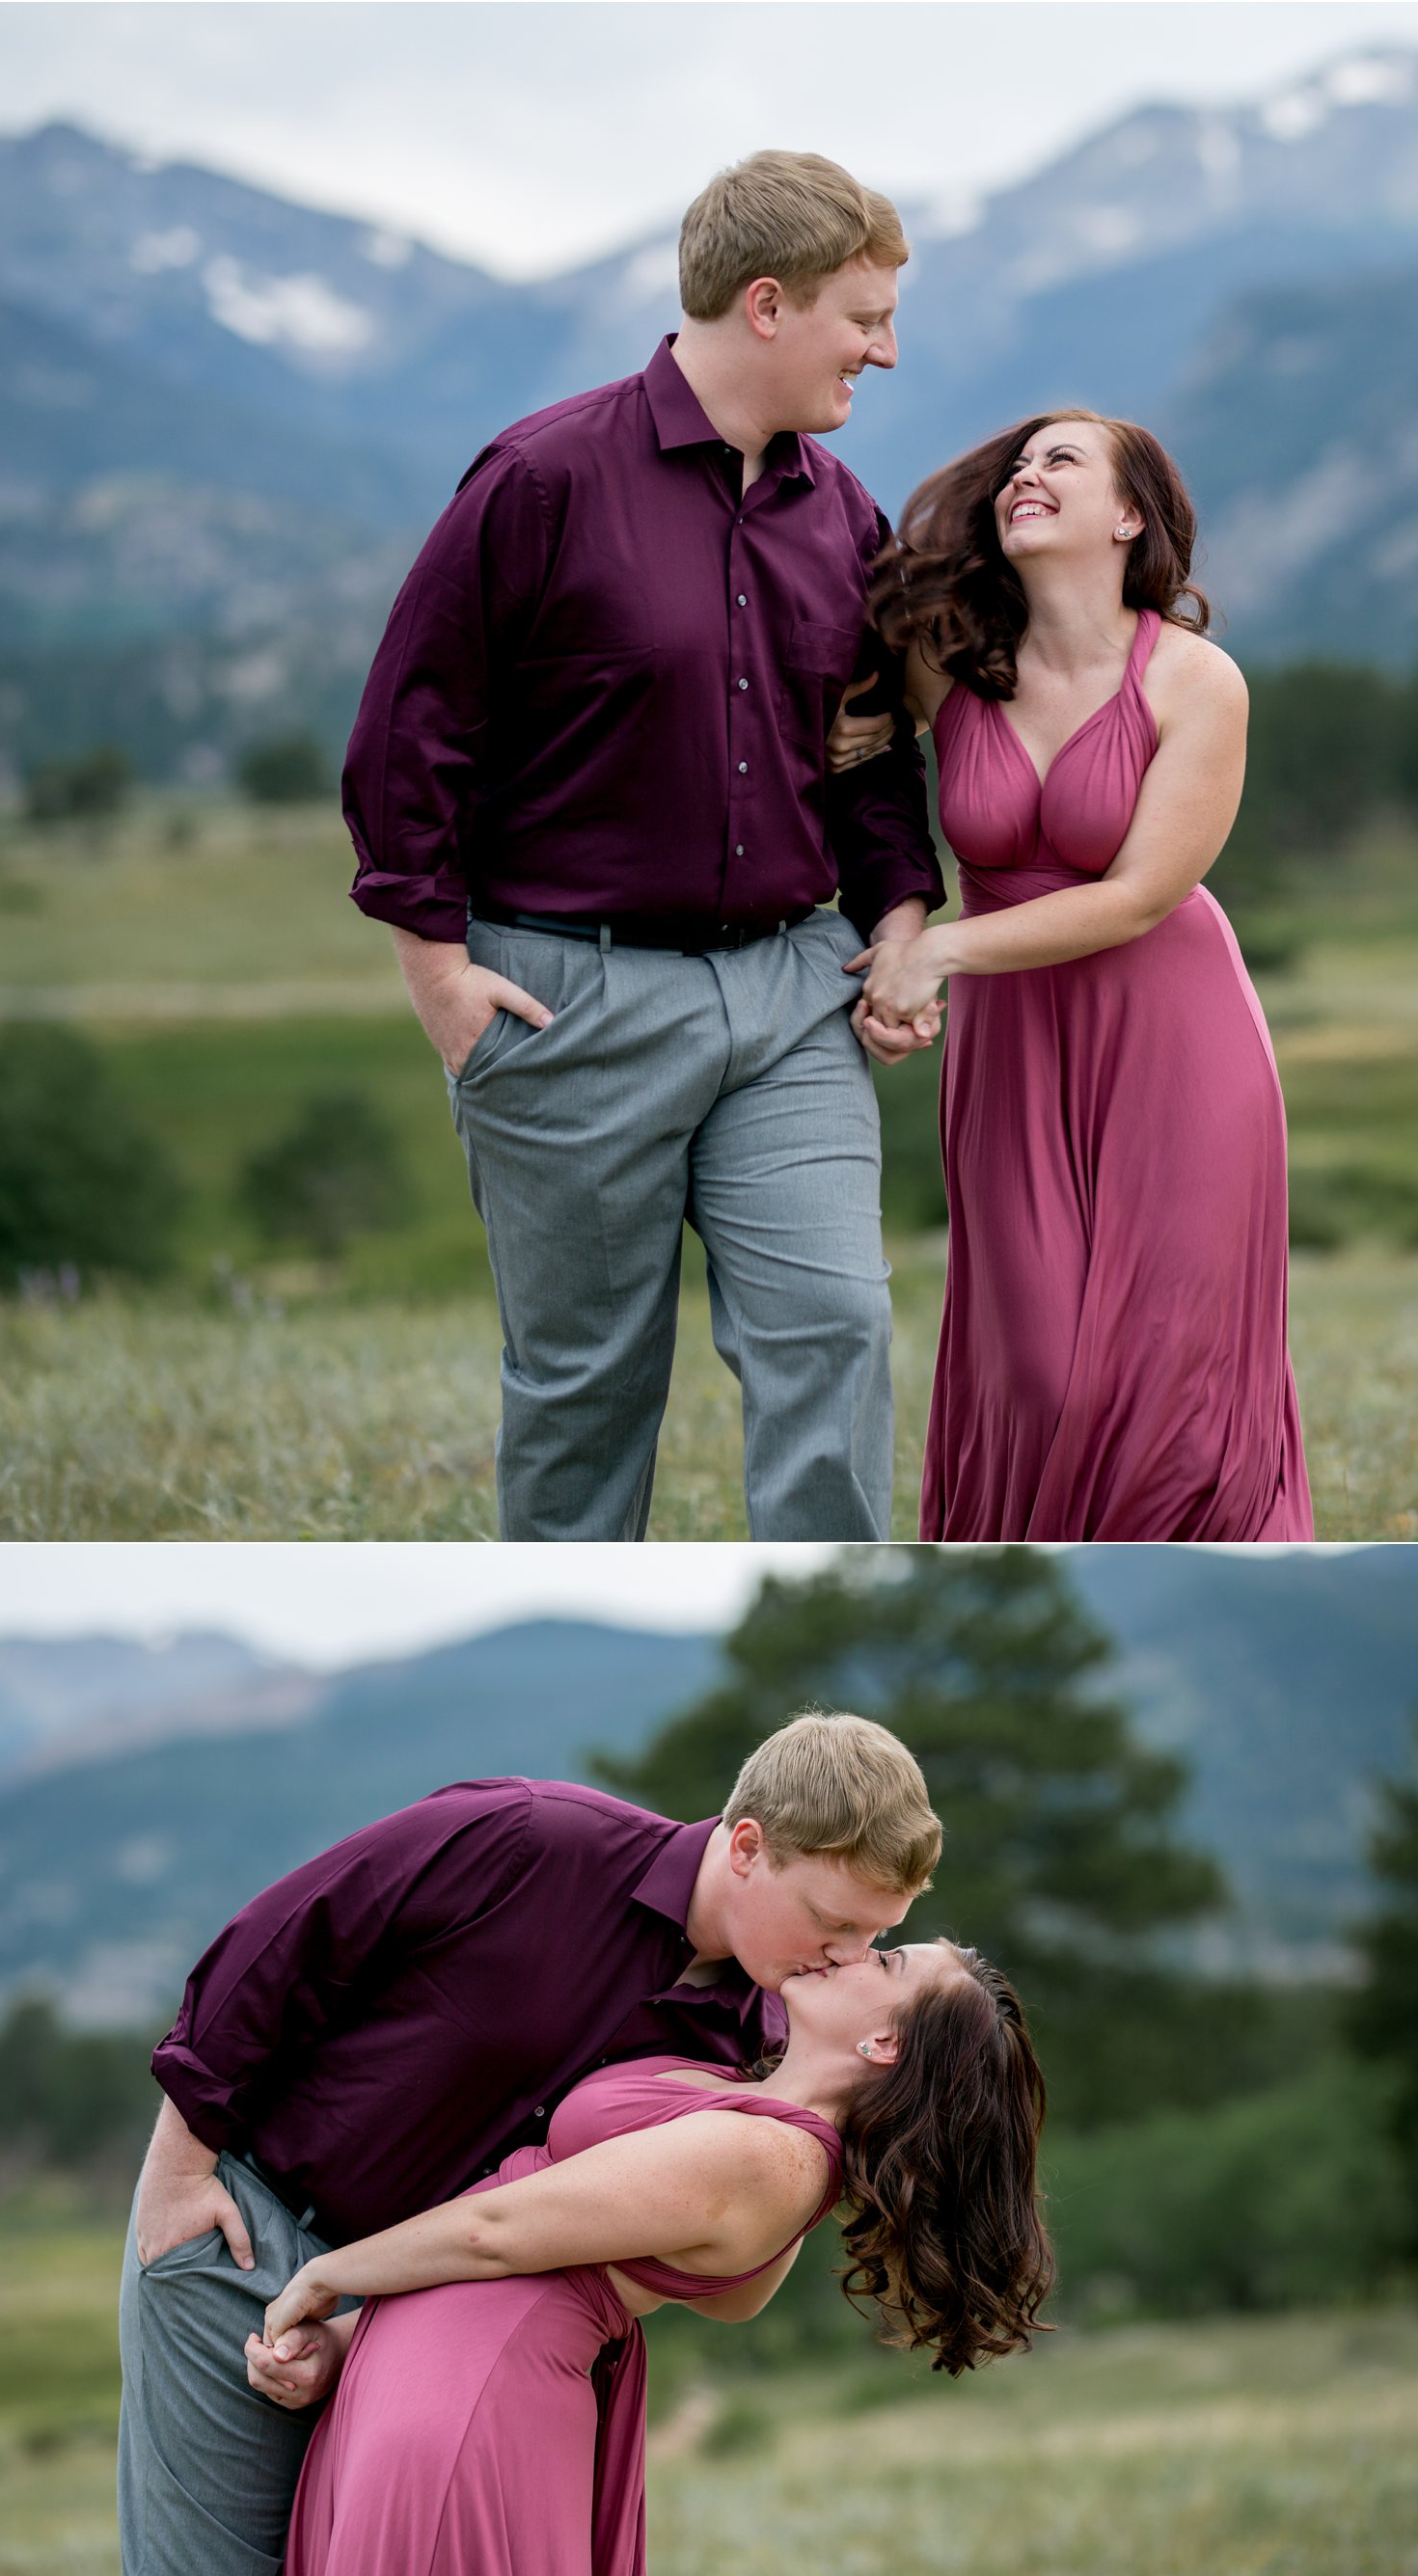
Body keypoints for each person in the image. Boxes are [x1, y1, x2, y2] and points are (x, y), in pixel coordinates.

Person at [341, 151, 945, 1542]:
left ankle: (829, 1624)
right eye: (865, 317)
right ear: (767, 305)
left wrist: (902, 909)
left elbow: (862, 750)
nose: (887, 350)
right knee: (582, 1394)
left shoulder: (840, 513)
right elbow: (405, 736)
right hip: (569, 996)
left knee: (836, 1327)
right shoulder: (539, 479)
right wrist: (437, 969)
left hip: (794, 991)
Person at [117, 1714, 941, 2576]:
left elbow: (651, 2241)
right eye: (831, 1919)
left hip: (407, 2324)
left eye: (874, 1935)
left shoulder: (762, 2038)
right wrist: (176, 2174)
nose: (845, 1956)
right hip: (246, 2239)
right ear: (748, 1846)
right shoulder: (527, 1837)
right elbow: (285, 1939)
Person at [836, 411, 1313, 1544]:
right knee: (1043, 1370)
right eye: (1015, 464)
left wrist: (936, 950)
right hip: (1012, 1053)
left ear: (1127, 515)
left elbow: (1141, 893)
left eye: (1060, 461)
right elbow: (856, 778)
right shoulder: (939, 663)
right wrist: (893, 912)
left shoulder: (1198, 681)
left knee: (1166, 1388)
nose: (1024, 476)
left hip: (1175, 1038)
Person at [253, 1935, 1050, 2576]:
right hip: (427, 2375)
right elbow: (590, 2259)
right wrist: (353, 2338)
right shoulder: (755, 2114)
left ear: (884, 2041)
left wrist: (327, 2275)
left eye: (886, 1961)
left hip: (469, 2402)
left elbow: (499, 2232)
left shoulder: (773, 2157)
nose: (852, 1948)